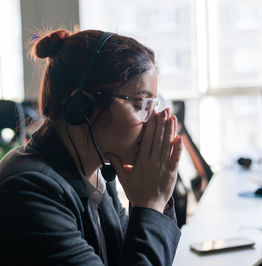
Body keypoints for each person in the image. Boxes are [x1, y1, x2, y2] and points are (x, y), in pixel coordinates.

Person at [0, 29, 183, 265]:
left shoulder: (95, 173)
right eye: (139, 104)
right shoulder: (28, 190)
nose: (151, 121)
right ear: (83, 106)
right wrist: (150, 204)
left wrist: (152, 200)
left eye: (151, 105)